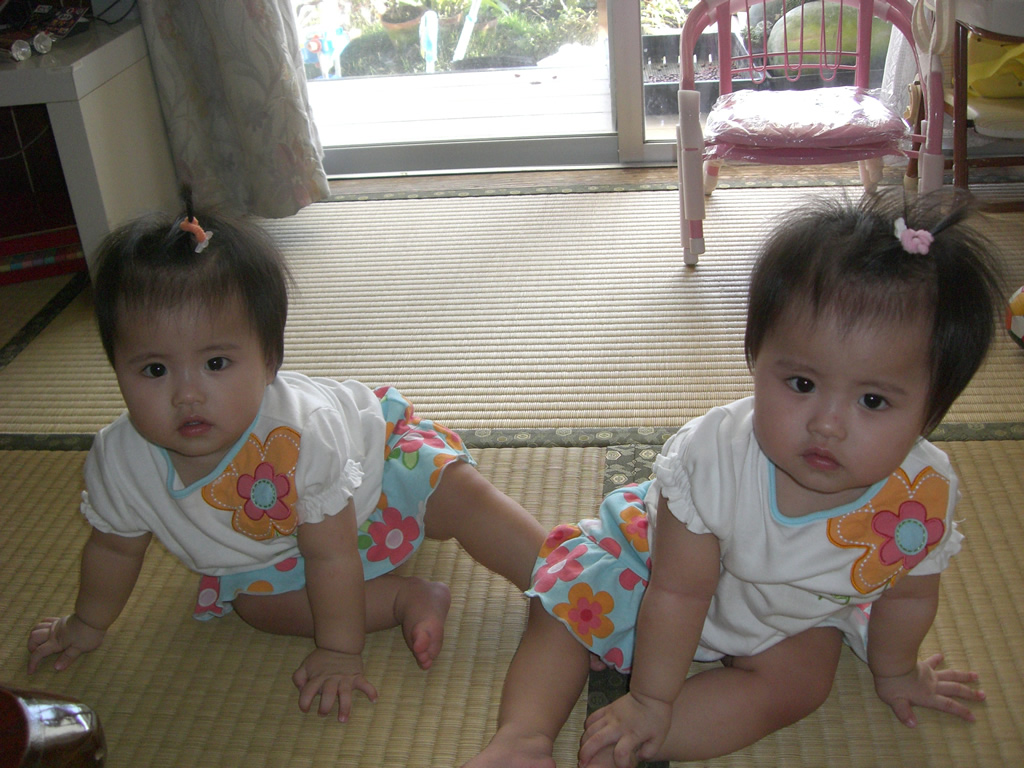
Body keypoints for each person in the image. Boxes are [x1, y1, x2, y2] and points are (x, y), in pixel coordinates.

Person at [466, 189, 1002, 768]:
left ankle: (632, 743)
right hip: (658, 568)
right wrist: (650, 697)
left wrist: (896, 672)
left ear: (932, 410)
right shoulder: (713, 460)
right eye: (801, 384)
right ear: (756, 358)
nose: (827, 424)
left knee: (801, 684)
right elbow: (680, 593)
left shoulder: (921, 496)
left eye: (873, 400)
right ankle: (523, 736)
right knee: (565, 599)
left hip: (790, 611)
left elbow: (911, 594)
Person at [26, 191, 548, 723]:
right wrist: (86, 624)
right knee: (257, 606)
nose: (187, 394)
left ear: (270, 360)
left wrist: (340, 652)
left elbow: (332, 555)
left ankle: (557, 576)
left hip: (375, 468)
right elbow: (114, 550)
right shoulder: (120, 460)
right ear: (116, 367)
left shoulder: (302, 432)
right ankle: (403, 599)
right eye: (154, 370)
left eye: (216, 363)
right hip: (284, 544)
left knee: (452, 491)